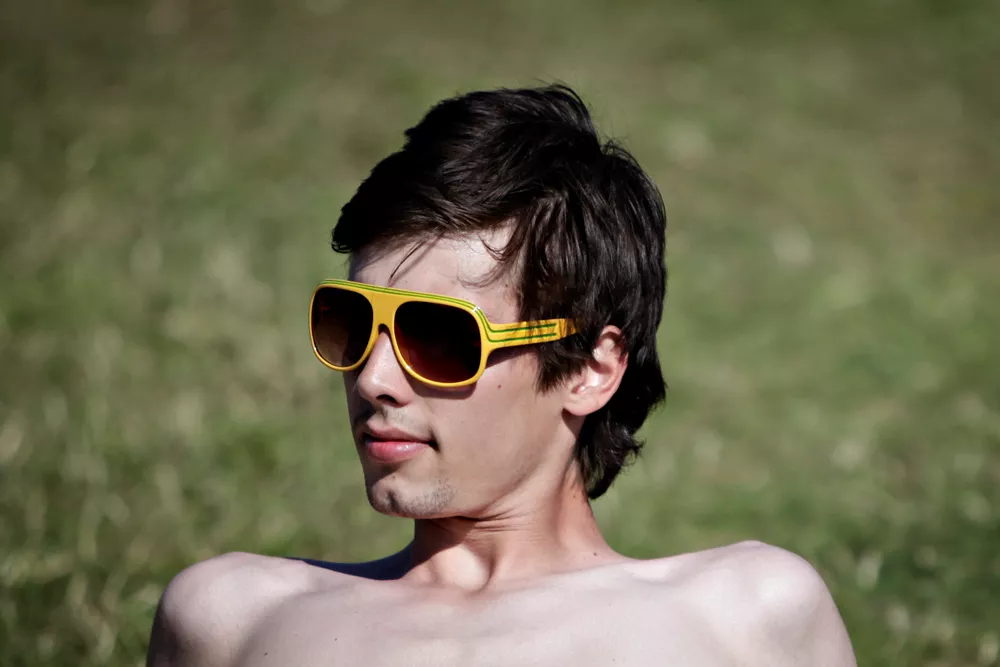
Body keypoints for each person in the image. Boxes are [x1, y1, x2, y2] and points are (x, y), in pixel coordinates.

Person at [147, 85, 856, 666]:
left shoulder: (747, 618)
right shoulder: (230, 618)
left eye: (437, 336)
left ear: (592, 368)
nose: (373, 378)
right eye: (351, 322)